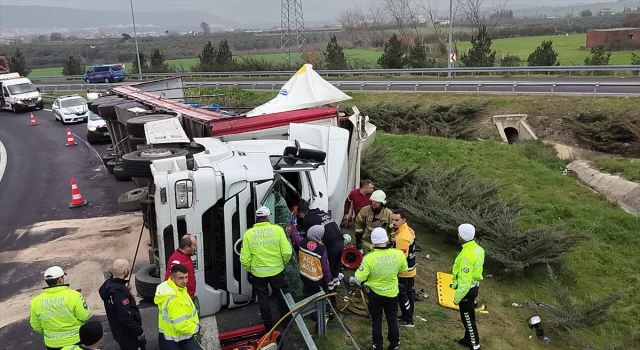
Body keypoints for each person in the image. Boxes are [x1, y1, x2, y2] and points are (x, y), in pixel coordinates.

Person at [350, 228, 408, 350]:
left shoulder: (369, 258)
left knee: (376, 321)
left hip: (375, 295)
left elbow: (358, 278)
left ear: (373, 241)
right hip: (392, 293)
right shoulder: (398, 254)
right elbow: (403, 270)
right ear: (386, 239)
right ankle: (394, 345)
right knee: (392, 319)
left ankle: (378, 346)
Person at [240, 206, 293, 331]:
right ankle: (286, 320)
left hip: (258, 273)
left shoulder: (248, 234)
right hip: (277, 271)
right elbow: (287, 252)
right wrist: (282, 263)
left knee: (263, 298)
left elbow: (245, 258)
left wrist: (250, 269)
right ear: (268, 217)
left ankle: (268, 324)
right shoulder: (277, 230)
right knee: (281, 295)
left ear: (257, 219)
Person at [30, 266, 92, 350]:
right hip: (75, 341)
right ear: (60, 279)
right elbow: (84, 316)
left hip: (52, 344)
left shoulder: (35, 301)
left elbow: (36, 326)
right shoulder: (74, 295)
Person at [296, 202, 344, 302]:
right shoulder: (322, 213)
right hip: (340, 241)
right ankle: (334, 291)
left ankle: (328, 296)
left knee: (328, 269)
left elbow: (310, 237)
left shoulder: (308, 219)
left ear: (301, 214)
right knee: (336, 268)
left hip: (331, 245)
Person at [98, 259, 146, 350]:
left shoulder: (108, 284)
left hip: (118, 331)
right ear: (125, 271)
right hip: (128, 334)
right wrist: (139, 331)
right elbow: (125, 316)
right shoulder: (119, 291)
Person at [452, 224, 485, 350]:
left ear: (463, 236)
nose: (458, 235)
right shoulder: (478, 249)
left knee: (468, 319)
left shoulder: (467, 256)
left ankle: (475, 346)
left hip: (467, 290)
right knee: (468, 316)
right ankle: (467, 339)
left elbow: (465, 282)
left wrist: (457, 298)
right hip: (474, 287)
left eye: (459, 233)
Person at [155, 264, 202, 350]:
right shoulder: (175, 300)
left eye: (186, 277)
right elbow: (181, 326)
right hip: (181, 338)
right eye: (181, 278)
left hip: (168, 336)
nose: (185, 281)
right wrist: (196, 328)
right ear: (172, 278)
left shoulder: (166, 286)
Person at [288, 223, 332, 296]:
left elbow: (295, 236)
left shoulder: (301, 242)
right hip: (316, 279)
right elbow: (325, 266)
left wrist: (293, 226)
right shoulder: (321, 249)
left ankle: (306, 296)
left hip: (303, 274)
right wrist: (328, 277)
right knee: (319, 294)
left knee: (307, 290)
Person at [391, 210, 417, 328]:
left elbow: (400, 258)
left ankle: (408, 319)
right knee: (409, 293)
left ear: (404, 220)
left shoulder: (402, 237)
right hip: (411, 268)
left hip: (403, 272)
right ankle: (409, 313)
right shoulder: (409, 230)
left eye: (397, 220)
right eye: (393, 220)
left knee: (402, 295)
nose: (394, 223)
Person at [354, 190, 394, 254]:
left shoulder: (388, 214)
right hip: (366, 244)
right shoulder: (365, 210)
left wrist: (392, 242)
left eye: (376, 202)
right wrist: (358, 240)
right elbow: (358, 224)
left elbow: (393, 230)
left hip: (381, 246)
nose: (373, 203)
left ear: (382, 203)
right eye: (372, 201)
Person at [165, 235, 197, 300]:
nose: (196, 247)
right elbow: (170, 280)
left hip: (187, 297)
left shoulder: (184, 256)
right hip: (182, 299)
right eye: (194, 245)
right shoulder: (176, 261)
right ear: (187, 247)